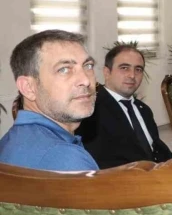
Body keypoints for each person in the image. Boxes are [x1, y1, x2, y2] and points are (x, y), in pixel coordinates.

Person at [0, 30, 99, 171]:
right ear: (28, 87)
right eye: (64, 69)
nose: (85, 80)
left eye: (88, 66)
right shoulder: (64, 156)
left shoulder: (10, 142)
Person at [76, 45, 172, 169]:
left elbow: (157, 149)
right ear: (107, 72)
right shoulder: (92, 110)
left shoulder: (144, 110)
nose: (132, 75)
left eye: (138, 69)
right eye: (124, 68)